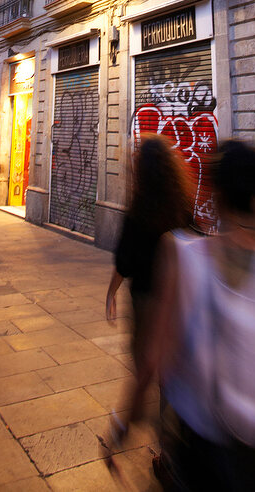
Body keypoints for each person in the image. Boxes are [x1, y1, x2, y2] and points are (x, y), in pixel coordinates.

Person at [108, 140, 255, 490]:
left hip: (205, 448)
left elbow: (155, 357)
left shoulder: (184, 254)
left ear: (215, 191)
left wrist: (122, 425)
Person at [105, 135, 193, 379]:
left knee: (145, 358)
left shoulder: (137, 213)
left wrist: (111, 292)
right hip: (176, 295)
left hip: (145, 298)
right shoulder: (183, 206)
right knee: (172, 358)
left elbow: (124, 262)